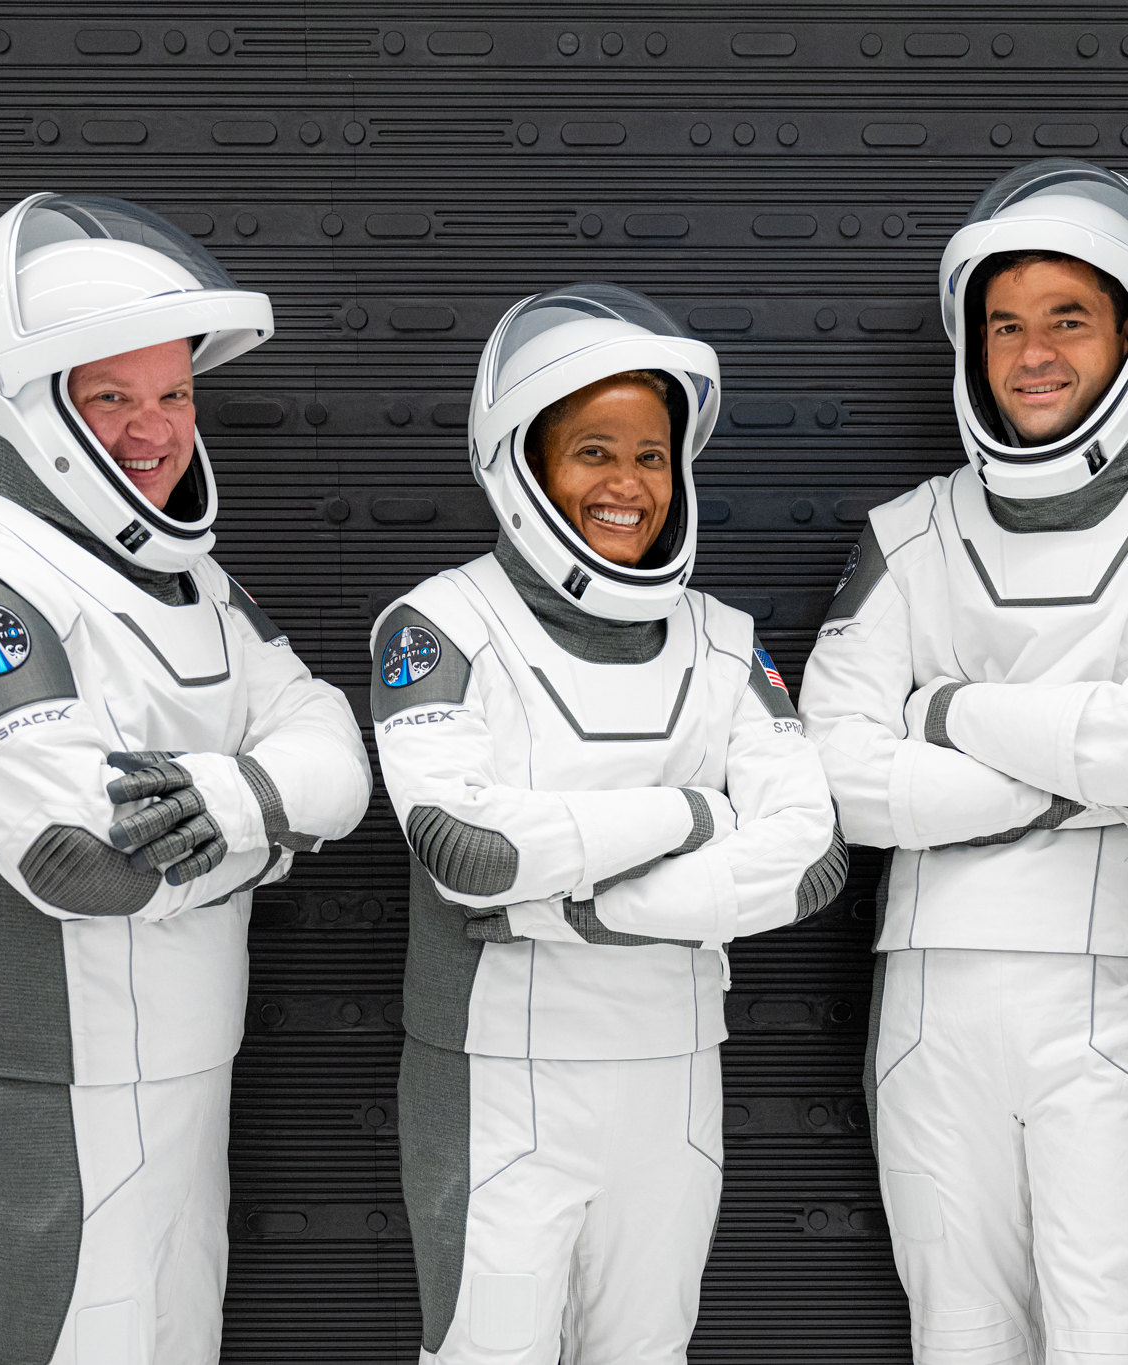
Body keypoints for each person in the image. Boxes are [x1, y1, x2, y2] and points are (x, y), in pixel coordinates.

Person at [0, 192, 372, 1365]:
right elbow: (86, 860)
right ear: (30, 405)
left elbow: (335, 748)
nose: (155, 432)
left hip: (188, 1061)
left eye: (174, 394)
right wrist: (275, 824)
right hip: (39, 1084)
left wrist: (230, 808)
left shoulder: (195, 587)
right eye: (112, 397)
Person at [797, 159, 1128, 1363]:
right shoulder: (907, 531)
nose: (1030, 355)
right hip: (922, 997)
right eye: (1003, 325)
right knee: (956, 1330)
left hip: (1111, 987)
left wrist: (945, 707)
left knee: (1114, 1326)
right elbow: (829, 774)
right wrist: (1073, 780)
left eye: (1066, 319)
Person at [369, 282, 846, 1365]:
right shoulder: (438, 625)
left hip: (671, 1079)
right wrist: (692, 811)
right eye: (592, 451)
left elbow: (810, 853)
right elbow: (469, 850)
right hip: (497, 1083)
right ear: (523, 463)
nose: (627, 484)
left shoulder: (723, 641)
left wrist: (574, 912)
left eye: (650, 454)